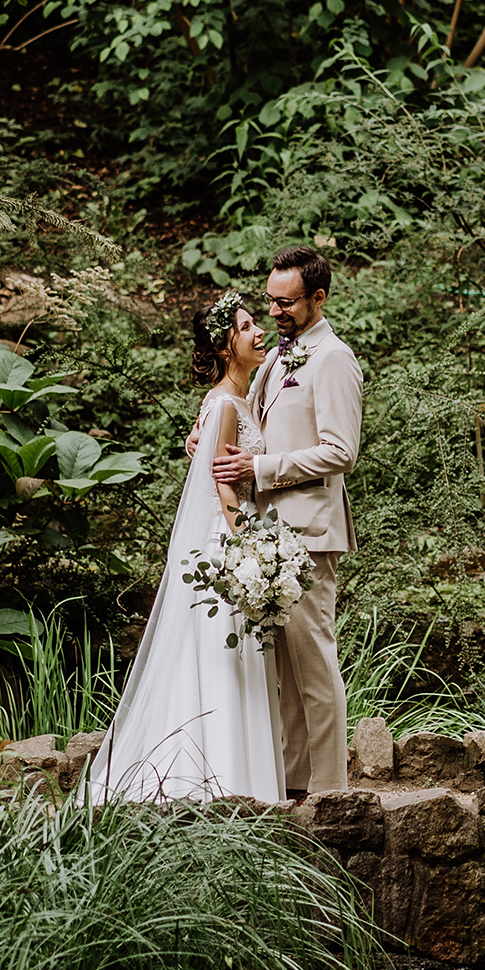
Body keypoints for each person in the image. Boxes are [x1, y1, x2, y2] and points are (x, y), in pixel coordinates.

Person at [86, 291, 285, 804]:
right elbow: (221, 485)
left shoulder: (240, 395)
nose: (258, 331)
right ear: (225, 346)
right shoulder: (223, 402)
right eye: (245, 327)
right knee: (221, 657)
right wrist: (250, 547)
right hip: (228, 547)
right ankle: (216, 780)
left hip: (236, 540)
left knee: (234, 657)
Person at [211, 245, 363, 798]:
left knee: (316, 667)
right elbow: (249, 427)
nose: (274, 311)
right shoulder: (277, 358)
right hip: (269, 537)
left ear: (317, 297)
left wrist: (262, 467)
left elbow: (340, 451)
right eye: (270, 300)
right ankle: (296, 785)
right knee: (288, 676)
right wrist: (210, 443)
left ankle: (331, 793)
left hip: (312, 531)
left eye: (286, 302)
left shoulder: (334, 359)